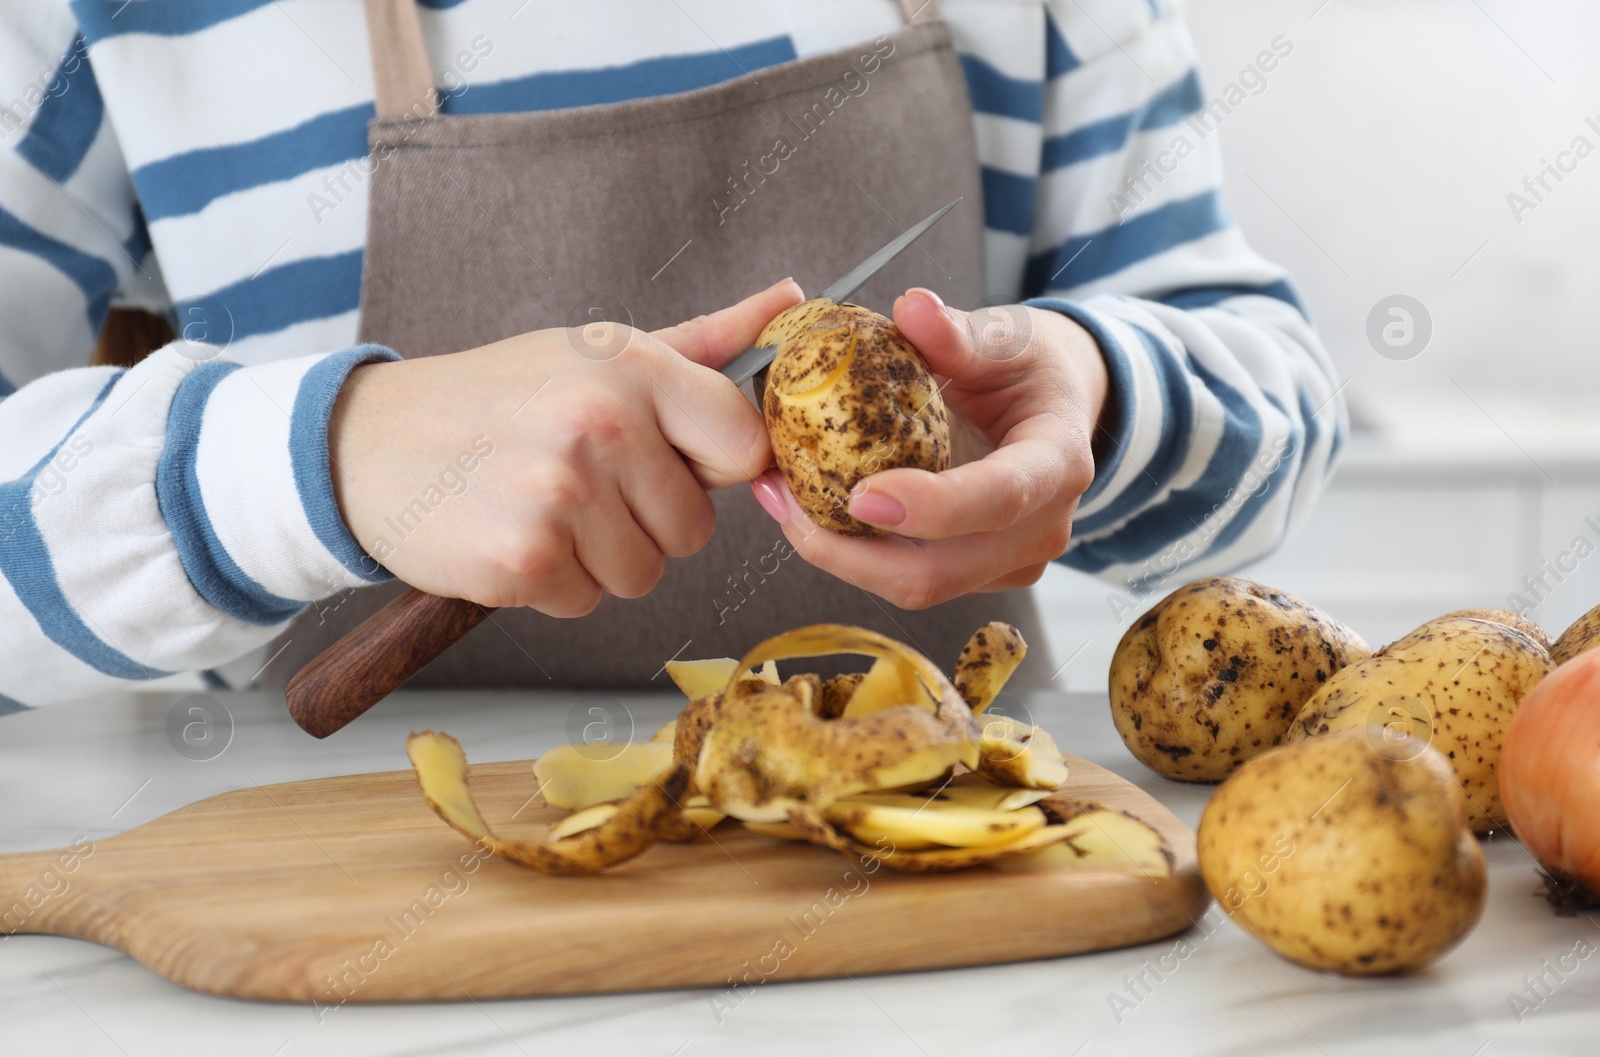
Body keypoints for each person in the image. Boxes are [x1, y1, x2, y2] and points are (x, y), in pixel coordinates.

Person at [0, 0, 1342, 709]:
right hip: (353, 931)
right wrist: (312, 464)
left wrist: (1102, 397)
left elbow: (1269, 379)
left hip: (949, 909)